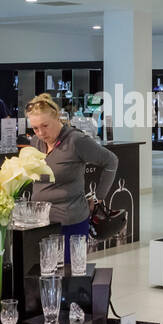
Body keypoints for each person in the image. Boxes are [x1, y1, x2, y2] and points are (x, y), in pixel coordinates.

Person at [26, 93, 119, 255]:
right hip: (40, 223)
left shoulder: (76, 140)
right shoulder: (35, 142)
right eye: (35, 128)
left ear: (57, 118)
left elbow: (111, 161)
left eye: (45, 126)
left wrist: (98, 197)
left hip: (70, 221)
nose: (40, 133)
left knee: (70, 275)